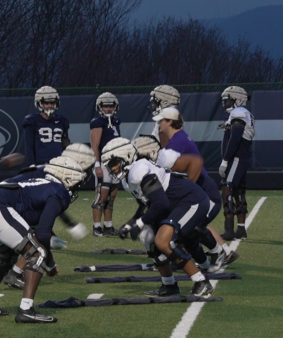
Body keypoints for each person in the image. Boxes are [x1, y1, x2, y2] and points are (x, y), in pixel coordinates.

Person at [0, 143, 94, 289]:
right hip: (8, 202)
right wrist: (69, 225)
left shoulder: (51, 168)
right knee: (31, 239)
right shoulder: (57, 173)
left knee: (9, 245)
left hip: (3, 198)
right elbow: (52, 206)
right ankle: (16, 274)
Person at [0, 156, 86, 323]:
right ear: (66, 177)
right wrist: (49, 265)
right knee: (36, 253)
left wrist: (49, 262)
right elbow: (44, 235)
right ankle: (26, 310)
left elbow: (38, 232)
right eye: (75, 183)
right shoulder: (58, 191)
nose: (75, 187)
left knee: (7, 255)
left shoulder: (40, 184)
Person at [103, 138, 214, 298]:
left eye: (114, 162)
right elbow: (146, 204)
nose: (112, 168)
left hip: (190, 200)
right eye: (109, 164)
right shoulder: (129, 178)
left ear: (126, 157)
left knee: (164, 241)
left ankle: (201, 282)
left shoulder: (138, 171)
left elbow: (160, 202)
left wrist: (140, 223)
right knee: (148, 238)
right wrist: (130, 224)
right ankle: (169, 285)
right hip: (173, 205)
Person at [151, 105, 239, 270]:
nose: (159, 125)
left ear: (170, 122)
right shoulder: (178, 138)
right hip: (200, 190)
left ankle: (218, 252)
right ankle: (222, 252)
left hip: (203, 191)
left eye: (161, 121)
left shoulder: (177, 142)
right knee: (192, 225)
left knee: (191, 226)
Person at [218, 86, 255, 241]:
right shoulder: (243, 114)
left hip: (237, 158)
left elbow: (235, 139)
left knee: (227, 189)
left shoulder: (238, 113)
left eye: (228, 100)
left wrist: (225, 160)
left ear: (237, 99)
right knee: (240, 191)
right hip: (243, 157)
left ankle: (229, 230)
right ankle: (240, 230)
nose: (225, 103)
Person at [90, 92, 122, 237]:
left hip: (115, 163)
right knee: (101, 196)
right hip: (103, 162)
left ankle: (108, 226)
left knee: (112, 196)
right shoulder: (97, 122)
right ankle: (96, 227)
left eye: (111, 106)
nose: (108, 108)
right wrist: (97, 165)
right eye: (106, 106)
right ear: (100, 107)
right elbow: (95, 145)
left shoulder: (116, 121)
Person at [22, 86, 70, 167]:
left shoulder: (62, 121)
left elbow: (65, 144)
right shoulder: (32, 121)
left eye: (52, 103)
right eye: (46, 103)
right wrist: (31, 164)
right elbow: (29, 146)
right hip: (40, 164)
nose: (49, 106)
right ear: (39, 103)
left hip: (59, 163)